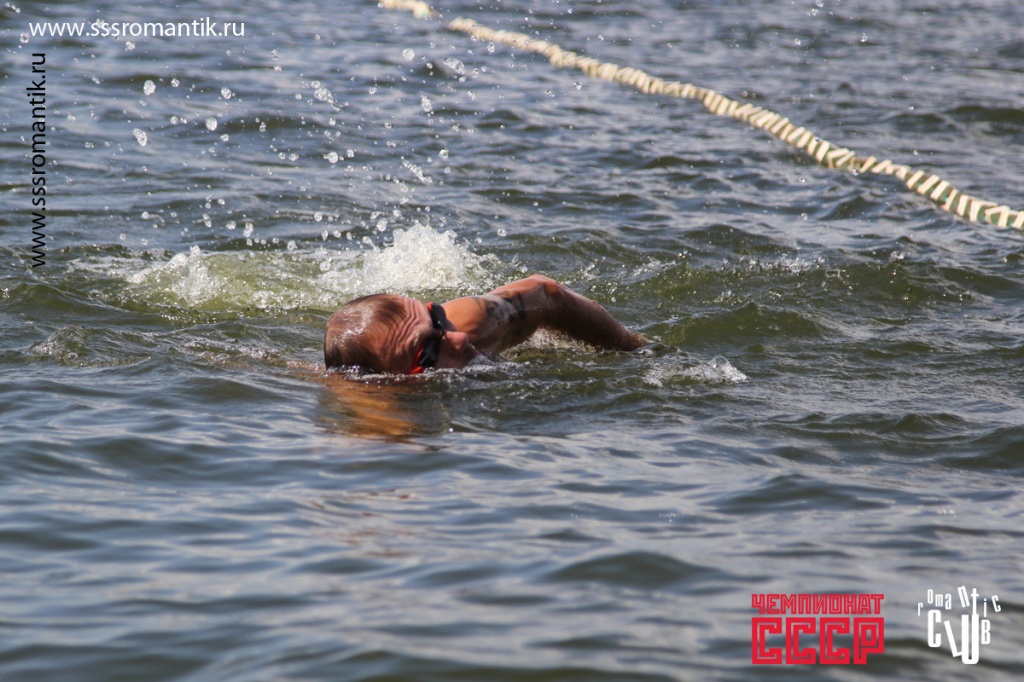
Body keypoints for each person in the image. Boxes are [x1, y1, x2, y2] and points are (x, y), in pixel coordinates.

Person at [324, 274, 648, 374]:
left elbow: (548, 293)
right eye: (428, 350)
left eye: (437, 318)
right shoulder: (375, 406)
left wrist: (635, 350)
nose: (459, 339)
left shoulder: (474, 322)